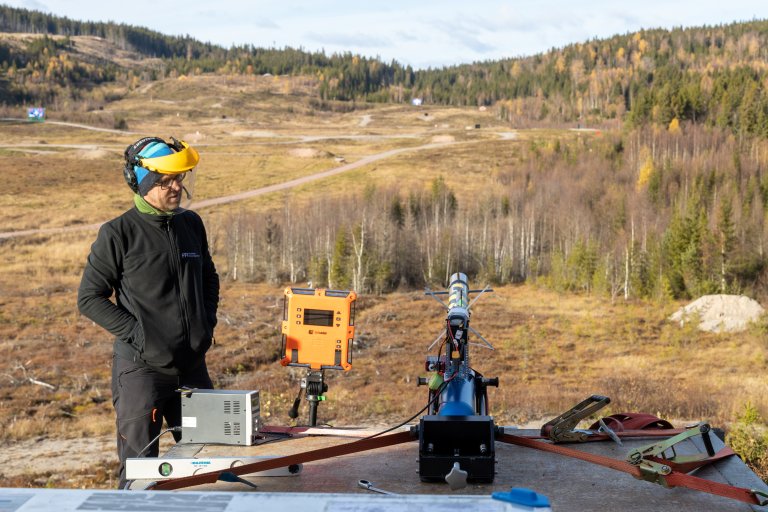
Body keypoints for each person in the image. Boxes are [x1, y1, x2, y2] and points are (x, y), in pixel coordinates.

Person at [78, 136, 219, 489]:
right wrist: (142, 338)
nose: (177, 186)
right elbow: (90, 298)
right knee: (140, 475)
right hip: (141, 373)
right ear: (141, 181)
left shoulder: (191, 225)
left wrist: (206, 324)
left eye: (180, 178)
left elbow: (208, 277)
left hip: (191, 369)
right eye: (167, 180)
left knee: (212, 462)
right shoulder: (118, 233)